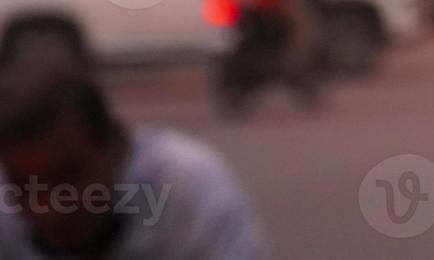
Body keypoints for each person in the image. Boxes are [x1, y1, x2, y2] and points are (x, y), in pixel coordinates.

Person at [0, 53, 269, 259]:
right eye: (23, 185)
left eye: (67, 177)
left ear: (115, 150)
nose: (49, 208)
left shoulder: (185, 185)